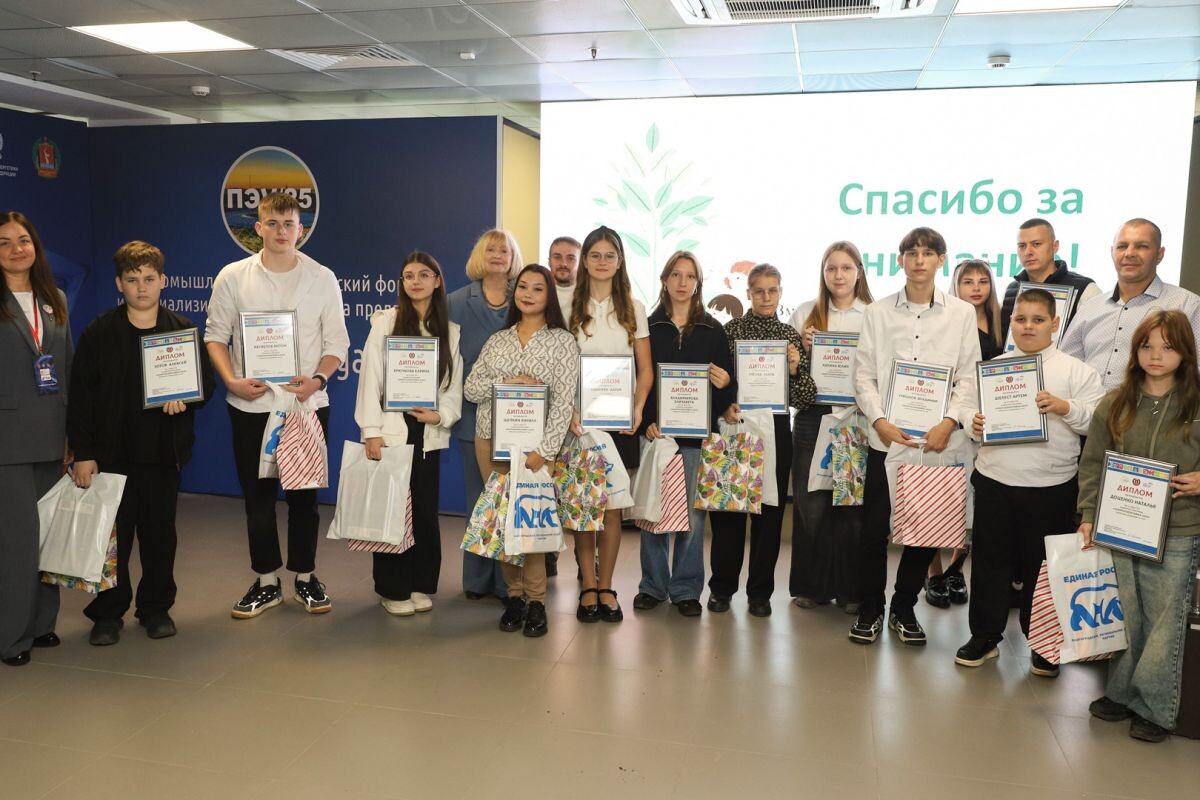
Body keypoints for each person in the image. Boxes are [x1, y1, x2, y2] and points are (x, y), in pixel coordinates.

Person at [204, 191, 349, 619]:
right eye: (273, 223)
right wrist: (231, 380)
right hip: (251, 405)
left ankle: (305, 576)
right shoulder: (233, 276)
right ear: (259, 228)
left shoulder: (322, 277)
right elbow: (216, 336)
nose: (281, 231)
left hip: (306, 405)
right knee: (258, 498)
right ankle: (266, 580)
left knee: (304, 498)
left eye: (289, 224)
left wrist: (317, 380)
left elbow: (337, 344)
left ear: (300, 230)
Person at [67, 241, 215, 645]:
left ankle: (156, 608)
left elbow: (205, 386)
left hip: (162, 455)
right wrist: (84, 454)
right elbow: (80, 398)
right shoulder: (99, 332)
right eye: (132, 280)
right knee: (112, 540)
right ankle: (108, 612)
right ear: (119, 284)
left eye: (149, 279)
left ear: (163, 281)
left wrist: (186, 399)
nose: (142, 287)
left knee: (159, 536)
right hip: (111, 456)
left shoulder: (182, 331)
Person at [954, 289, 1103, 675]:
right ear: (1011, 323)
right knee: (989, 563)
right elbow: (964, 406)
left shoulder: (1076, 371)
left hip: (1052, 486)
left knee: (1044, 568)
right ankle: (984, 636)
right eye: (1021, 319)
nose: (1028, 327)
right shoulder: (993, 368)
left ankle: (1042, 643)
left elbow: (1096, 421)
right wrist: (973, 421)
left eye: (1038, 320)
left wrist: (1064, 407)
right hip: (995, 480)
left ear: (1055, 324)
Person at [850, 227, 981, 646]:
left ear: (941, 259)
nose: (919, 260)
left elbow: (968, 377)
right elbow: (863, 375)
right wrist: (879, 421)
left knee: (926, 531)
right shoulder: (878, 312)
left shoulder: (961, 313)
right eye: (911, 252)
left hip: (938, 442)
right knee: (873, 531)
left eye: (928, 253)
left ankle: (903, 607)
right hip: (887, 439)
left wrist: (949, 422)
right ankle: (871, 607)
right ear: (900, 259)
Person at [1077, 309, 1200, 743]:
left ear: (1185, 352)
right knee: (1125, 613)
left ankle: (1154, 708)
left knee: (1165, 620)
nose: (1156, 355)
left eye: (1167, 346)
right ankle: (1121, 693)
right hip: (1119, 527)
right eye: (1147, 346)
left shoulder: (1197, 403)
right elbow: (1092, 463)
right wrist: (1088, 515)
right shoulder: (1115, 402)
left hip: (1179, 529)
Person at [463, 264, 578, 637]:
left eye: (537, 288)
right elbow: (471, 389)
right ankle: (514, 596)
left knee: (531, 522)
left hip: (536, 451)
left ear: (549, 296)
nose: (528, 294)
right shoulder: (498, 340)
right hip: (492, 443)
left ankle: (537, 601)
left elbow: (564, 402)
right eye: (523, 287)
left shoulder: (562, 341)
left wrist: (544, 451)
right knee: (503, 522)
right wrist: (507, 381)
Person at [355, 251, 463, 617]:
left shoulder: (450, 331)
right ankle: (392, 588)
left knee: (425, 514)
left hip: (427, 432)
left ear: (437, 280)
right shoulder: (385, 322)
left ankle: (420, 583)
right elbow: (370, 378)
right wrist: (371, 431)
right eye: (408, 275)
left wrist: (441, 415)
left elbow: (453, 385)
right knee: (392, 513)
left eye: (423, 274)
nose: (415, 281)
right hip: (391, 432)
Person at [708, 263, 816, 617]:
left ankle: (759, 593)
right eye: (759, 291)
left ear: (781, 292)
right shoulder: (731, 331)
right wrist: (725, 403)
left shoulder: (789, 336)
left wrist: (795, 369)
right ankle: (721, 588)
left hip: (775, 431)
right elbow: (717, 382)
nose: (766, 297)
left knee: (769, 516)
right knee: (729, 512)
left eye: (773, 290)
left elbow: (805, 398)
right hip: (736, 427)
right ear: (749, 293)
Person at [636, 251, 736, 617]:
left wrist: (727, 384)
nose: (682, 282)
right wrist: (646, 421)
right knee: (653, 512)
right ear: (664, 280)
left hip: (696, 439)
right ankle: (652, 586)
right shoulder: (648, 327)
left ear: (698, 283)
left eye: (689, 276)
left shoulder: (713, 329)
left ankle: (686, 589)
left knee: (693, 518)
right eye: (675, 275)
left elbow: (726, 391)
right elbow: (640, 380)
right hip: (657, 435)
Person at [567, 226, 653, 623]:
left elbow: (645, 369)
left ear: (620, 262)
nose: (602, 262)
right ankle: (587, 584)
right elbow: (560, 366)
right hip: (579, 424)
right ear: (585, 261)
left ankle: (606, 585)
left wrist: (638, 408)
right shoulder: (568, 305)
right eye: (595, 255)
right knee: (585, 506)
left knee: (613, 508)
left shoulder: (634, 307)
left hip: (619, 424)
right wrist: (568, 412)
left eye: (610, 255)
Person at [0, 212, 71, 667]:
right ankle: (11, 636)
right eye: (4, 242)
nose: (15, 249)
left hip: (51, 434)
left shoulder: (54, 298)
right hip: (7, 440)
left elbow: (66, 365)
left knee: (49, 538)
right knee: (17, 543)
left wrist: (73, 435)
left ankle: (42, 623)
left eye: (23, 240)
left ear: (35, 247)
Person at [789, 241, 873, 614]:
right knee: (811, 504)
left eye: (846, 268)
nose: (838, 275)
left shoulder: (873, 315)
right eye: (831, 268)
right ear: (822, 273)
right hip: (812, 415)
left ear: (859, 272)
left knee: (850, 505)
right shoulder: (805, 313)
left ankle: (850, 590)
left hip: (856, 415)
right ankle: (812, 587)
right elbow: (789, 374)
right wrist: (802, 350)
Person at [921, 258, 1002, 609]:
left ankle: (956, 569)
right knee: (934, 500)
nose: (976, 288)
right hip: (947, 421)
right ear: (955, 285)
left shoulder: (1003, 324)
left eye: (983, 281)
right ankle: (934, 573)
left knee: (971, 503)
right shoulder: (944, 320)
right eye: (968, 281)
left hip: (988, 425)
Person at [448, 229, 522, 601]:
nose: (496, 255)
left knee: (510, 500)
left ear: (512, 257)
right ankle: (477, 581)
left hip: (518, 418)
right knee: (479, 500)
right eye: (490, 249)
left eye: (503, 250)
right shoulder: (456, 302)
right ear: (480, 254)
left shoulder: (525, 297)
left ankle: (509, 583)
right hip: (472, 413)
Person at [1061, 218, 1200, 392]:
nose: (1129, 253)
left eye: (1142, 246)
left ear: (1160, 254)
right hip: (1086, 408)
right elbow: (1065, 366)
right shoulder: (1090, 308)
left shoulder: (1187, 305)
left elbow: (1195, 372)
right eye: (1122, 246)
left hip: (1153, 409)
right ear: (1112, 252)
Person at [998, 217, 1099, 345]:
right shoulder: (1011, 290)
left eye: (1036, 244)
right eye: (1022, 246)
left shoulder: (1085, 289)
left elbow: (1096, 343)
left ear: (1055, 246)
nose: (1028, 252)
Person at [546, 234, 580, 577]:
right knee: (546, 482)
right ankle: (547, 553)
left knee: (579, 487)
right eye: (557, 256)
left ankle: (587, 562)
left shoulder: (588, 299)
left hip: (582, 406)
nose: (563, 263)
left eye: (570, 257)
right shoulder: (539, 294)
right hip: (545, 407)